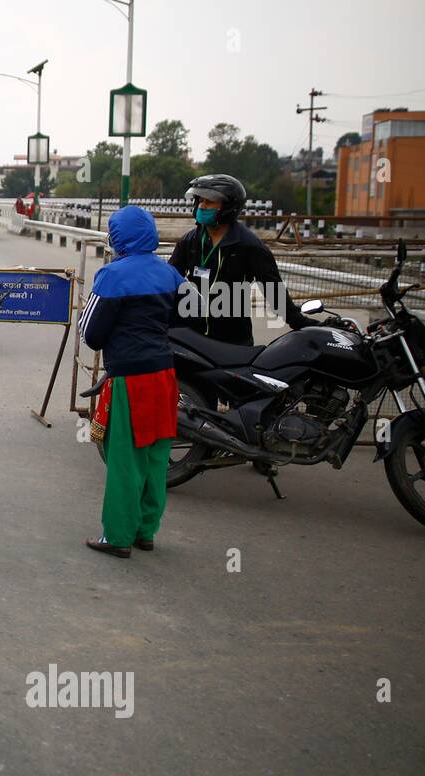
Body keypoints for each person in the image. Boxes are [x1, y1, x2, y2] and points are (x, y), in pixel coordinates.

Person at [79, 205, 184, 558]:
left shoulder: (112, 275)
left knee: (125, 457)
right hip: (165, 375)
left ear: (117, 237)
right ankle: (145, 530)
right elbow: (187, 316)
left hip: (130, 379)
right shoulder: (170, 273)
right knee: (156, 453)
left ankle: (118, 536)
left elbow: (91, 333)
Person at [169, 173, 315, 345]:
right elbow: (169, 279)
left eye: (209, 202)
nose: (202, 206)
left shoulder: (249, 246)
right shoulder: (190, 241)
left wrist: (302, 323)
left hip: (233, 341)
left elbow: (274, 291)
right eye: (199, 200)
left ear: (228, 207)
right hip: (193, 337)